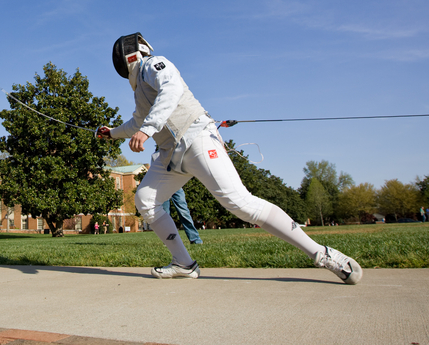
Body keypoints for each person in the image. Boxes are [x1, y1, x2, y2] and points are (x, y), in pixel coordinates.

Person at [97, 33, 362, 284]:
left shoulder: (154, 64)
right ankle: (184, 263)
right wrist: (113, 133)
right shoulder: (140, 90)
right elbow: (138, 121)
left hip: (196, 137)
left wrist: (146, 130)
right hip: (171, 155)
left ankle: (322, 254)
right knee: (145, 199)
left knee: (241, 204)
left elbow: (171, 89)